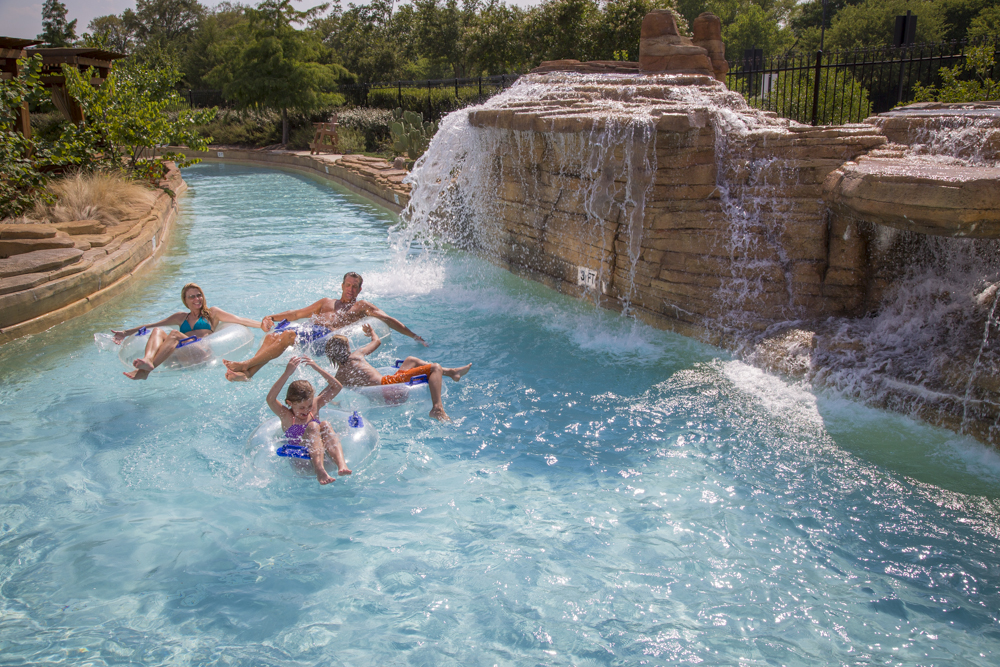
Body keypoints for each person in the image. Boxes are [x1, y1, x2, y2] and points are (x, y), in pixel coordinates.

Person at [223, 271, 427, 382]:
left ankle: (245, 364)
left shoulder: (361, 306)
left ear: (360, 289)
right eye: (348, 285)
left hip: (324, 340)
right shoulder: (325, 303)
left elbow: (388, 319)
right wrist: (271, 316)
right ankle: (248, 373)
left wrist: (413, 335)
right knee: (271, 337)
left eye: (355, 286)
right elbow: (296, 314)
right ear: (342, 285)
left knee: (285, 337)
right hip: (307, 332)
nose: (351, 289)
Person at [112, 282, 273, 380]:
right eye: (192, 297)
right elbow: (153, 325)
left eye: (199, 295)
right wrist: (125, 333)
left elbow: (239, 320)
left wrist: (261, 325)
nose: (197, 299)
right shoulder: (180, 317)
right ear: (185, 301)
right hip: (182, 356)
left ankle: (146, 369)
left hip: (201, 351)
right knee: (157, 332)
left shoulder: (212, 313)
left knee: (173, 335)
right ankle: (147, 364)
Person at [325, 323, 471, 422]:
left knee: (410, 360)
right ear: (347, 349)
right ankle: (437, 408)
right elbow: (377, 342)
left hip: (384, 395)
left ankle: (452, 373)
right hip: (391, 387)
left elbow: (327, 393)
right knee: (435, 368)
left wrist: (337, 404)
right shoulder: (355, 356)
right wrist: (372, 332)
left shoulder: (339, 376)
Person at [266, 355, 352, 485]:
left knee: (325, 424)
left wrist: (316, 367)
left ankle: (342, 465)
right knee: (312, 426)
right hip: (302, 460)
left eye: (309, 405)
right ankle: (320, 470)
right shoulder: (286, 415)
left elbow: (337, 387)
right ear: (290, 403)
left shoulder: (316, 404)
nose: (306, 411)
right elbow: (270, 399)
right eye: (301, 407)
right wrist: (287, 373)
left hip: (321, 453)